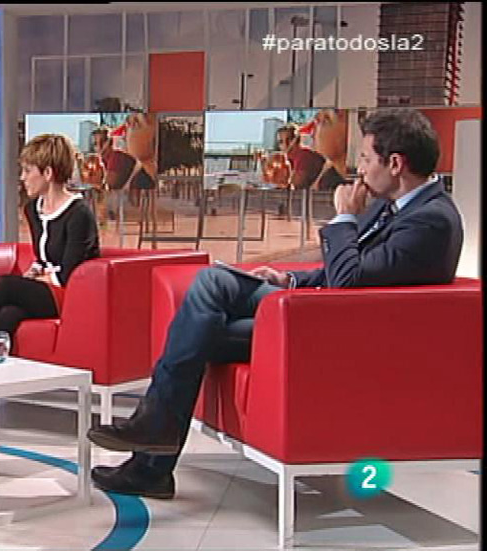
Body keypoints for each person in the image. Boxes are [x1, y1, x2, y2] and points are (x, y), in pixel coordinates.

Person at [87, 108, 462, 499]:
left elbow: (348, 282)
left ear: (396, 164)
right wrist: (291, 280)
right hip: (318, 311)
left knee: (199, 320)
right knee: (208, 296)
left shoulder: (430, 221)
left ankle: (152, 451)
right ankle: (152, 452)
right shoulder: (396, 207)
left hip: (336, 330)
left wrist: (344, 219)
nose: (361, 170)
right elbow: (349, 273)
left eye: (367, 159)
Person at [0, 133, 101, 442]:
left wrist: (38, 278)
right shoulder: (33, 209)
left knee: (4, 284)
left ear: (48, 173)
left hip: (70, 296)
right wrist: (34, 272)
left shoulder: (80, 214)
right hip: (47, 288)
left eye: (27, 171)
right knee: (5, 317)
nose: (22, 178)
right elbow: (43, 259)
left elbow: (69, 274)